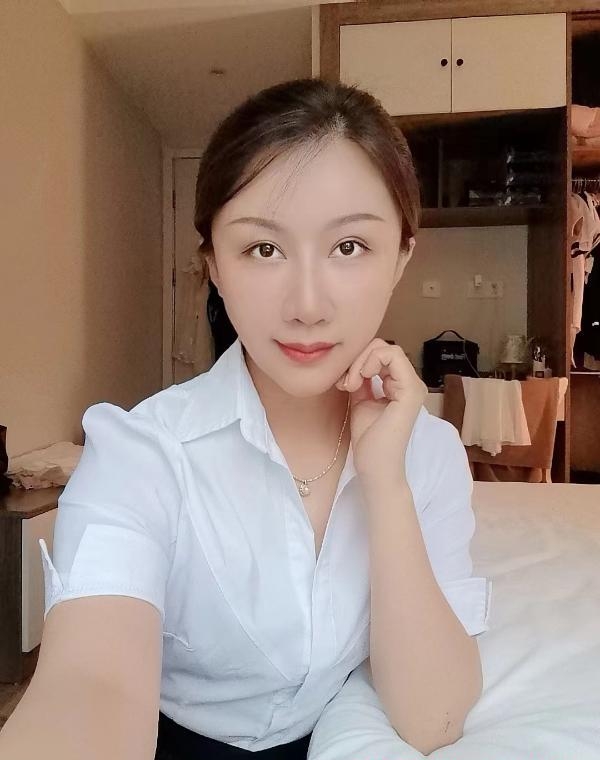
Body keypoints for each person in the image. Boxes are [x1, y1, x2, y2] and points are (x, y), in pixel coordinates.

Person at [0, 78, 491, 760]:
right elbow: (89, 684)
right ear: (215, 266)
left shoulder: (427, 453)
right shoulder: (142, 452)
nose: (308, 306)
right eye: (264, 249)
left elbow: (434, 717)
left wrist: (385, 485)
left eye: (350, 246)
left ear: (401, 257)